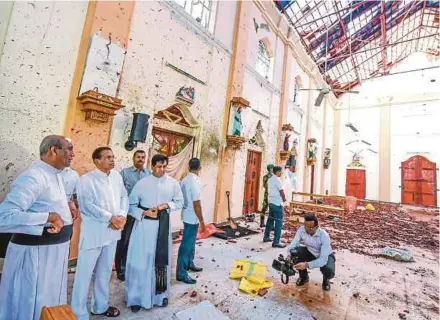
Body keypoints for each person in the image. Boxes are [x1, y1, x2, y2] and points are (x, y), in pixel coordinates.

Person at [0, 135, 73, 320]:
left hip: (53, 254)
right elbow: (4, 217)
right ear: (53, 150)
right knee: (30, 304)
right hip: (36, 256)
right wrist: (47, 217)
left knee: (49, 305)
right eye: (69, 149)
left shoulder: (55, 175)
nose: (73, 154)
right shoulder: (34, 177)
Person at [71, 147, 128, 319]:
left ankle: (100, 306)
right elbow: (87, 206)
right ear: (96, 160)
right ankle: (78, 312)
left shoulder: (117, 177)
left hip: (112, 233)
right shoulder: (86, 180)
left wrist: (122, 216)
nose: (112, 160)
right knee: (84, 274)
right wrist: (111, 218)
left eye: (113, 157)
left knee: (104, 272)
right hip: (94, 234)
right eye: (108, 157)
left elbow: (124, 197)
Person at [125, 154, 183, 313]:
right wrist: (143, 213)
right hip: (144, 228)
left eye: (164, 166)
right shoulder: (142, 183)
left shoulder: (172, 183)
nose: (162, 170)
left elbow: (180, 202)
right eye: (158, 166)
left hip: (162, 228)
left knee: (160, 263)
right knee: (140, 263)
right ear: (152, 166)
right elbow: (130, 205)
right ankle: (136, 298)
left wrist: (167, 205)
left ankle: (160, 296)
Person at [115, 150, 151, 281]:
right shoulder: (125, 173)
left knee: (139, 240)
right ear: (133, 158)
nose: (141, 159)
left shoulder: (149, 174)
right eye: (138, 157)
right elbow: (118, 192)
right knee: (124, 240)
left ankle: (134, 267)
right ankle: (121, 269)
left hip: (144, 212)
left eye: (143, 157)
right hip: (128, 212)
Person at [287, 213, 335, 291]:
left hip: (325, 255)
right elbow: (294, 244)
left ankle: (326, 280)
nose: (306, 229)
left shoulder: (324, 236)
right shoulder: (302, 230)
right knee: (294, 253)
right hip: (310, 252)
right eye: (305, 225)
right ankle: (304, 277)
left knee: (329, 270)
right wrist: (289, 255)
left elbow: (323, 259)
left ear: (316, 227)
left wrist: (306, 265)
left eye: (310, 227)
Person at [176, 158, 205, 284]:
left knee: (191, 242)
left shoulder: (185, 179)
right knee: (186, 244)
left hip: (187, 214)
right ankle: (181, 273)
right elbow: (196, 203)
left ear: (188, 166)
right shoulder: (194, 181)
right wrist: (202, 221)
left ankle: (189, 263)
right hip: (191, 215)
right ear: (200, 168)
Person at [263, 166, 287, 248]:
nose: (281, 173)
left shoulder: (270, 179)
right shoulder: (277, 180)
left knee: (270, 220)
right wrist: (284, 199)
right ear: (277, 172)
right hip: (277, 203)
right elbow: (281, 191)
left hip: (271, 202)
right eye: (280, 171)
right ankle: (276, 242)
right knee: (278, 223)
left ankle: (266, 237)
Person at [60, 138, 80, 221]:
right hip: (44, 225)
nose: (73, 154)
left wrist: (73, 207)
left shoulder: (74, 175)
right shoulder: (38, 175)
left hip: (66, 222)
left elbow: (73, 197)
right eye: (69, 150)